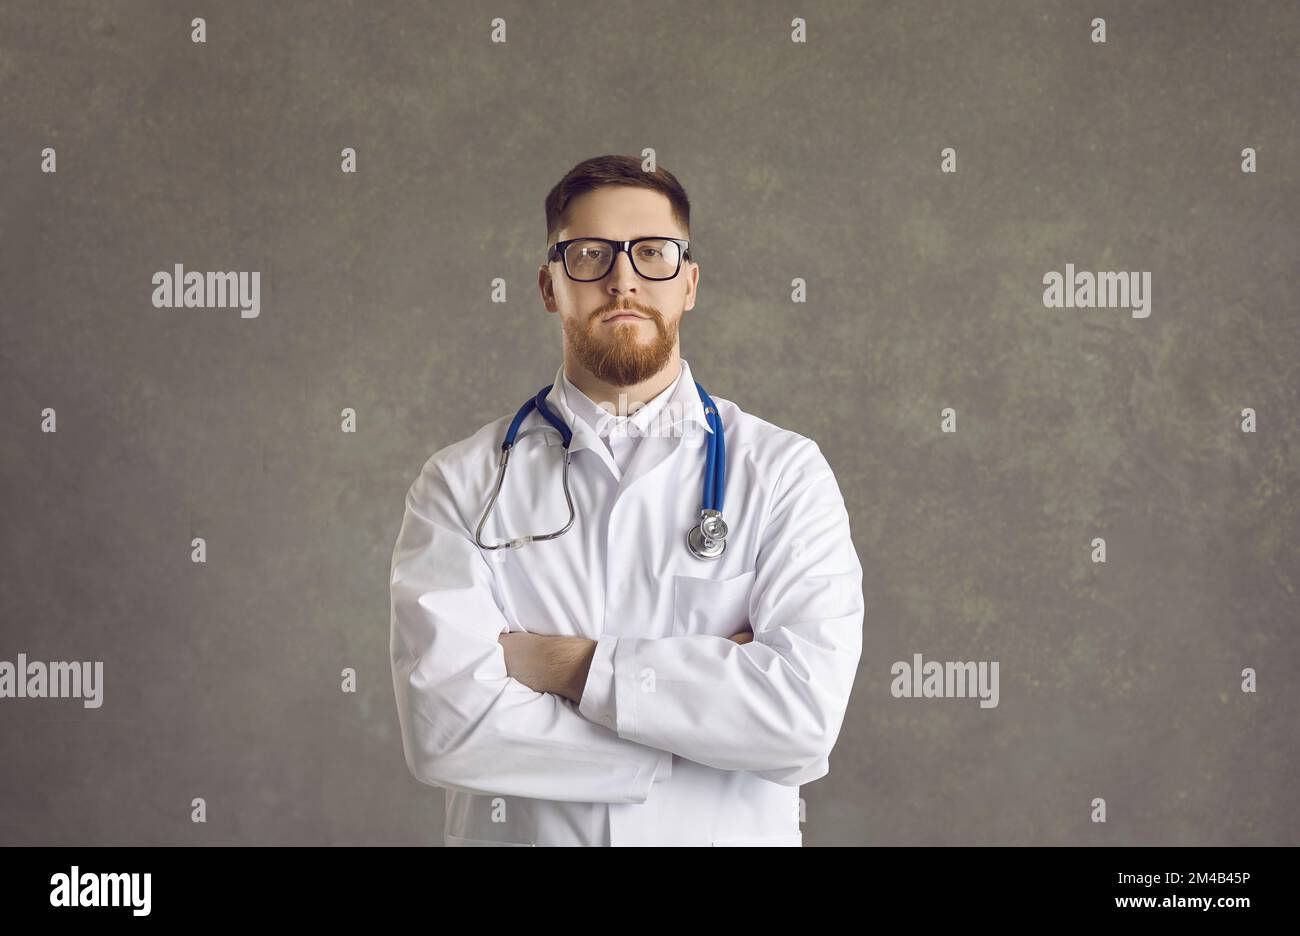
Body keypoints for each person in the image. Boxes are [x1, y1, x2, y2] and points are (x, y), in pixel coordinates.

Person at [389, 154, 864, 846]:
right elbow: (445, 731)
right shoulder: (460, 485)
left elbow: (801, 719)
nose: (623, 280)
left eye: (652, 253)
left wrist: (560, 666)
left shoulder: (785, 473)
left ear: (690, 282)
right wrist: (701, 728)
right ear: (549, 286)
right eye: (588, 254)